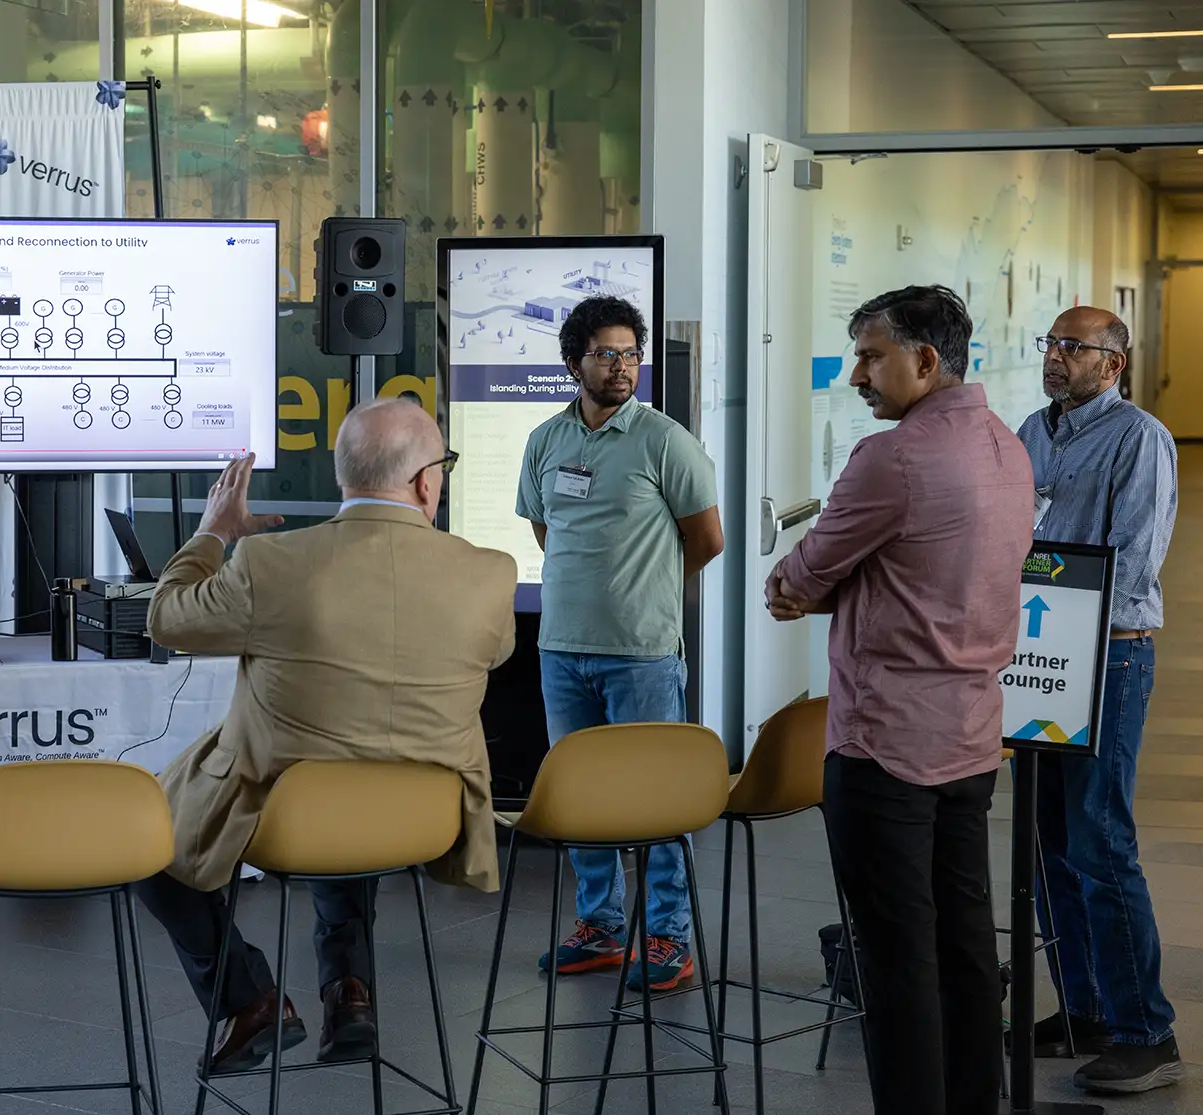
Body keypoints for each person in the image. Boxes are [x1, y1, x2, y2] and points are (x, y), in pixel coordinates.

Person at [137, 399, 517, 1072]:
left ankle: (248, 998)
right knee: (356, 768)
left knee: (148, 843)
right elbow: (493, 653)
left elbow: (167, 618)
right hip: (423, 816)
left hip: (292, 812)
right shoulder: (489, 573)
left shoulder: (270, 563)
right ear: (428, 482)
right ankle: (351, 992)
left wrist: (212, 534)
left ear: (345, 477)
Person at [766, 285, 1032, 1115]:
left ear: (924, 360)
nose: (856, 376)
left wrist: (814, 582)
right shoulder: (1006, 447)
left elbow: (795, 581)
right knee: (962, 946)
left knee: (895, 958)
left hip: (885, 747)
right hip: (971, 740)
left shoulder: (894, 460)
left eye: (871, 356)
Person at [515, 294, 723, 991]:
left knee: (656, 797)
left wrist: (647, 587)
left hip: (642, 652)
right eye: (607, 353)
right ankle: (601, 925)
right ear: (574, 361)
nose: (622, 365)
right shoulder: (546, 440)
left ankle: (668, 937)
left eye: (631, 353)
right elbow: (547, 531)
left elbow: (707, 538)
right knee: (583, 795)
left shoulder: (664, 439)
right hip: (560, 649)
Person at [1018, 307, 1182, 1094]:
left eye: (1072, 347)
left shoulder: (1140, 438)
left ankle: (1146, 1030)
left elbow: (1135, 562)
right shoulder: (1032, 429)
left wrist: (1048, 584)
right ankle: (1083, 1008)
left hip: (1110, 657)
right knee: (1047, 839)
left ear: (1111, 365)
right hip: (1039, 658)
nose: (1055, 357)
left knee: (1098, 839)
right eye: (1050, 344)